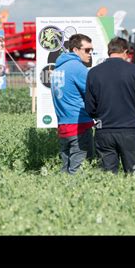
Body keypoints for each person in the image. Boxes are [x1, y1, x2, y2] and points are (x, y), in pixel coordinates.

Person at [85, 37, 135, 174]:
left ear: (109, 52)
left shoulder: (93, 73)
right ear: (125, 52)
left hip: (103, 131)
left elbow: (89, 108)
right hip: (129, 130)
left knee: (107, 178)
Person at [50, 34, 95, 174]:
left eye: (91, 50)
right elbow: (93, 94)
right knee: (79, 170)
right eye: (87, 50)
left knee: (65, 169)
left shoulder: (58, 69)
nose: (90, 54)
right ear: (75, 50)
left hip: (63, 125)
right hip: (79, 124)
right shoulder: (77, 68)